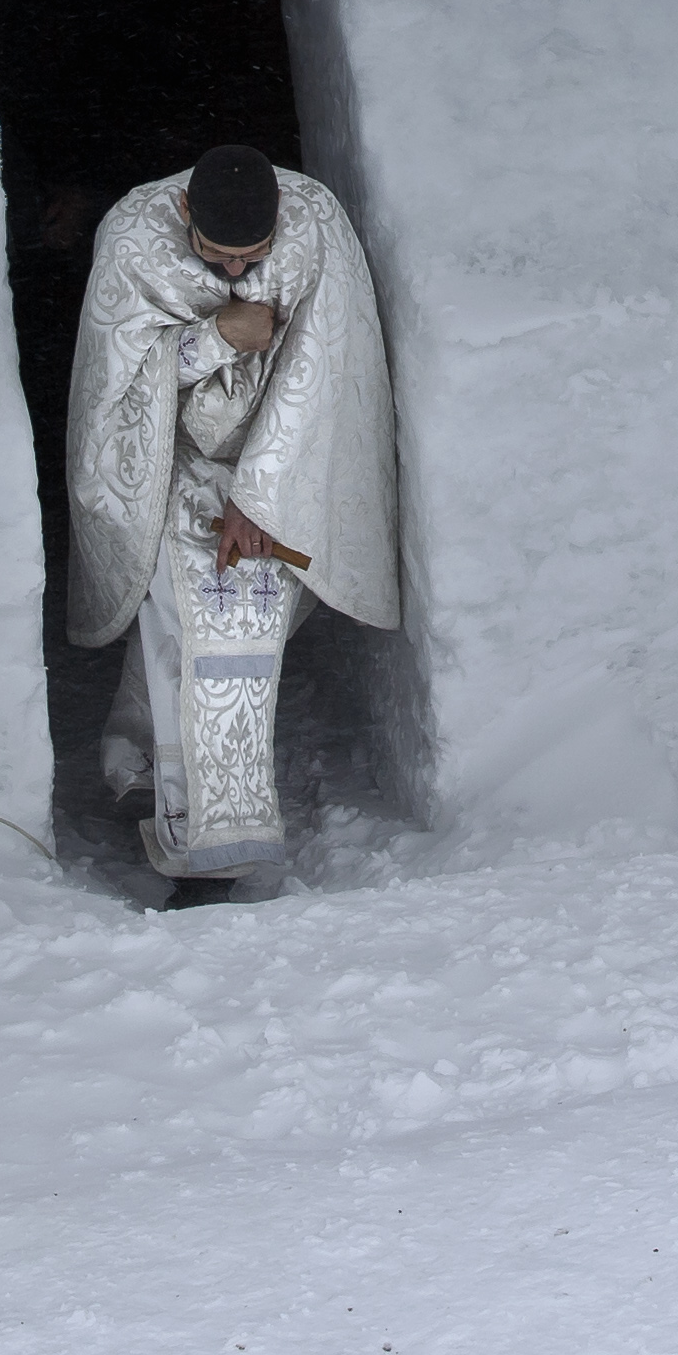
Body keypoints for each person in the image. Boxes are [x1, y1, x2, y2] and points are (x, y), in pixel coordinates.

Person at [64, 142, 399, 900]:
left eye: (254, 256)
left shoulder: (314, 223)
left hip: (272, 467)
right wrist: (218, 337)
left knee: (234, 638)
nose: (239, 272)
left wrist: (259, 492)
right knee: (177, 629)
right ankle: (198, 851)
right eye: (220, 256)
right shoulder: (132, 237)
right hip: (165, 462)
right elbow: (114, 389)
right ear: (185, 213)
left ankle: (173, 788)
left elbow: (325, 371)